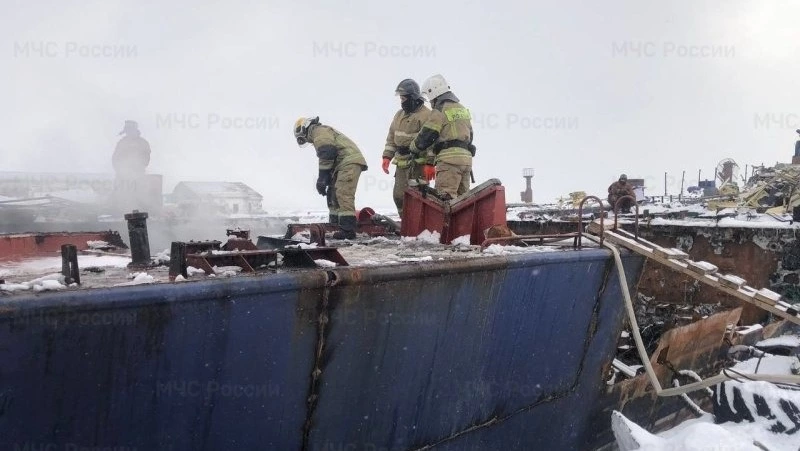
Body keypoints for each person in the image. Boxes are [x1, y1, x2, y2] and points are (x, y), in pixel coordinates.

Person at [294, 116, 368, 240]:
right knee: (332, 194)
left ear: (303, 128)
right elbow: (328, 155)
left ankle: (348, 230)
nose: (305, 140)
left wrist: (322, 177)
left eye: (302, 138)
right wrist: (326, 178)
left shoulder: (318, 131)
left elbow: (327, 152)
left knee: (343, 192)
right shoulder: (318, 134)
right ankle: (335, 225)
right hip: (340, 164)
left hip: (349, 161)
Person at [409, 74, 475, 200]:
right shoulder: (462, 108)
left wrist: (413, 147)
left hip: (449, 162)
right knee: (463, 202)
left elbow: (428, 134)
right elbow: (470, 135)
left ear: (433, 93)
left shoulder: (440, 109)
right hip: (466, 161)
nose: (430, 102)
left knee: (445, 199)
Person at [382, 79, 431, 216]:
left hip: (418, 165)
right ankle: (406, 222)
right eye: (400, 99)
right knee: (399, 196)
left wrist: (430, 163)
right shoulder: (399, 115)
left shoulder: (426, 115)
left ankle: (418, 224)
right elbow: (391, 137)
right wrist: (387, 156)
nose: (402, 102)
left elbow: (431, 141)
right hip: (401, 163)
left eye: (403, 98)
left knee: (417, 196)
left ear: (413, 98)